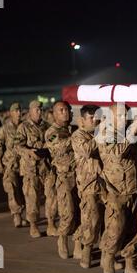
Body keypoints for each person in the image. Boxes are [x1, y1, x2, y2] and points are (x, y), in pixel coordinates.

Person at [96, 103, 137, 273]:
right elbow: (116, 153)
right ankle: (107, 260)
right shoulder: (104, 133)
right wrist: (132, 132)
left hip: (132, 188)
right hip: (115, 191)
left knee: (135, 229)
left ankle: (130, 266)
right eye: (121, 116)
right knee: (115, 229)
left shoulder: (127, 133)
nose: (124, 119)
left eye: (126, 115)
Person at [71, 105, 105, 268]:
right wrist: (101, 132)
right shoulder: (78, 136)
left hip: (106, 182)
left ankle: (107, 255)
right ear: (82, 120)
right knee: (91, 217)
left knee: (107, 219)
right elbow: (86, 150)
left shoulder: (102, 134)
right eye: (92, 117)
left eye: (97, 117)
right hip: (88, 183)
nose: (96, 120)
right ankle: (87, 249)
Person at [45, 101, 78, 259]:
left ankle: (79, 243)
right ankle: (62, 237)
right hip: (63, 177)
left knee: (80, 212)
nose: (66, 113)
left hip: (79, 176)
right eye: (61, 110)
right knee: (68, 212)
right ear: (54, 114)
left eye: (68, 110)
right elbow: (59, 147)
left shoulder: (73, 129)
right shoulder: (51, 132)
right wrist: (77, 138)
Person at [16, 100, 50, 238]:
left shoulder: (46, 126)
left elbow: (52, 138)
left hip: (46, 167)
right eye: (36, 109)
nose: (39, 112)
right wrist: (29, 152)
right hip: (31, 168)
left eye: (41, 109)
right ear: (30, 111)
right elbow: (17, 146)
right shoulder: (23, 127)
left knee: (50, 196)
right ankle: (34, 225)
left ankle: (51, 222)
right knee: (32, 198)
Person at [0, 102, 27, 227]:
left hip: (24, 164)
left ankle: (24, 214)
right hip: (10, 164)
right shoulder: (5, 129)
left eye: (20, 111)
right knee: (12, 189)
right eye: (16, 111)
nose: (19, 113)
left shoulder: (25, 126)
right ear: (11, 113)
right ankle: (17, 215)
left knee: (24, 191)